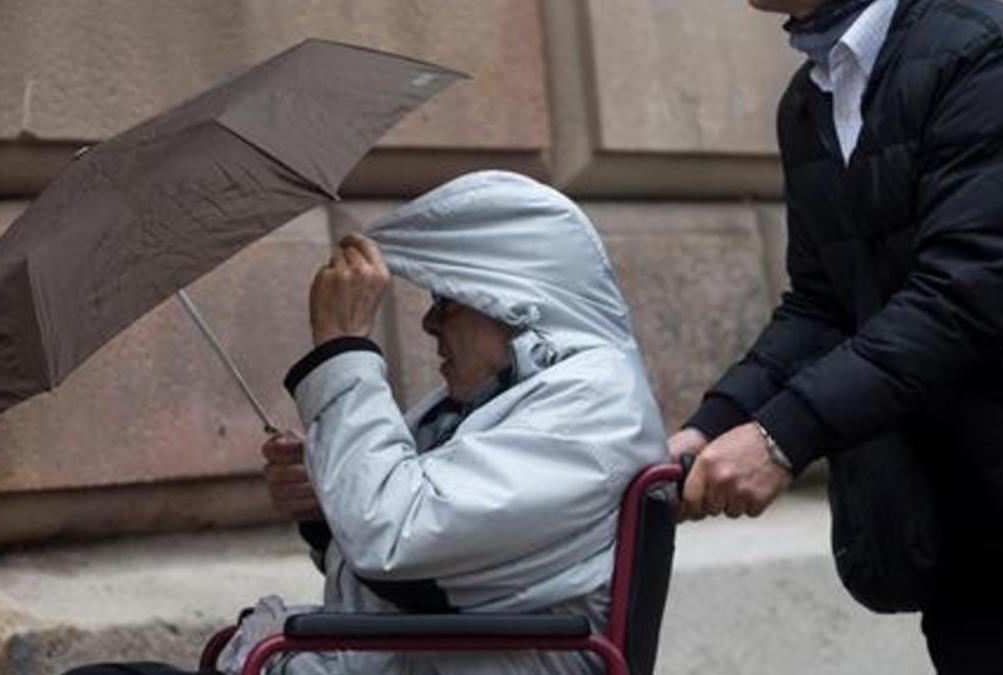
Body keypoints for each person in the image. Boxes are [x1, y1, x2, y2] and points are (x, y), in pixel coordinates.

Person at [65, 170, 667, 675]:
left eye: (446, 301)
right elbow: (416, 560)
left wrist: (342, 348)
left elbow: (395, 535)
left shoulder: (591, 407)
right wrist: (325, 507)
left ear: (509, 301)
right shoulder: (512, 398)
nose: (430, 325)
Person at [670, 0, 1003, 672]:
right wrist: (714, 424)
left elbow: (969, 290)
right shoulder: (810, 98)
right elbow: (823, 304)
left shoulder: (984, 52)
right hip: (959, 539)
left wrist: (781, 436)